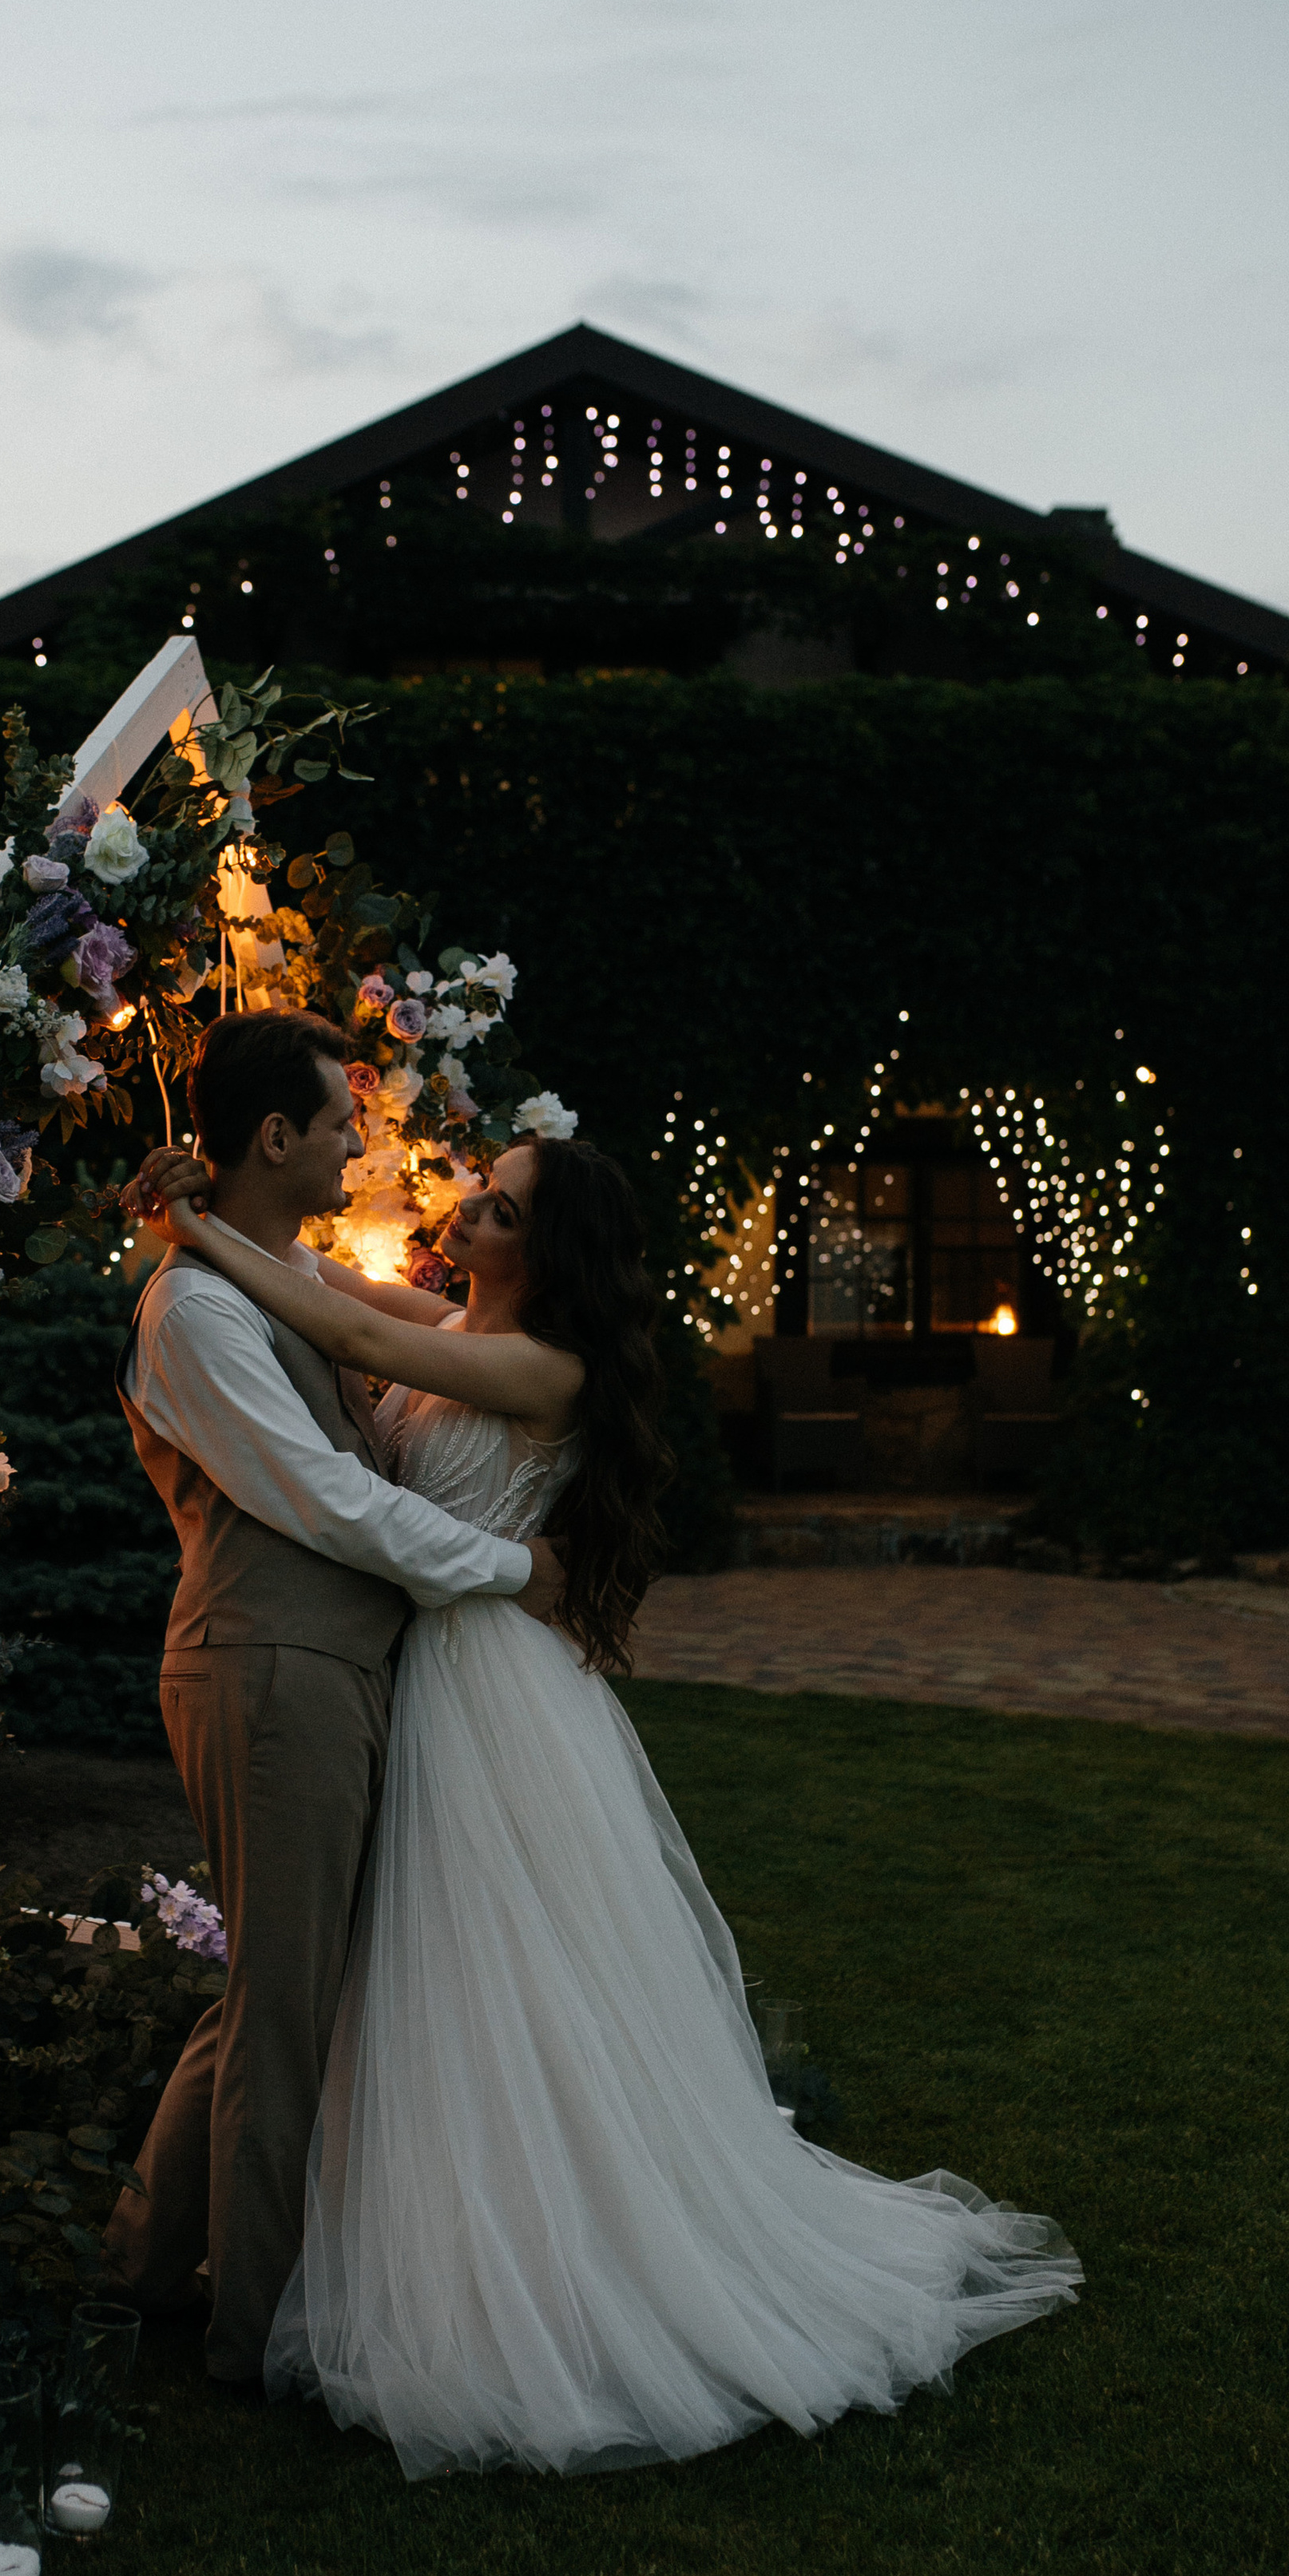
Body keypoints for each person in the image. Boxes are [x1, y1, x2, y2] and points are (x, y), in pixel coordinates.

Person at [138, 1115, 1082, 2479]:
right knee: (419, 1968)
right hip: (436, 1659)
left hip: (483, 1682)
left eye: (502, 1212)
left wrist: (194, 1234)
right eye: (480, 1195)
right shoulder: (463, 1323)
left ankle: (544, 2256)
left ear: (550, 1253)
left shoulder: (539, 1368)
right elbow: (331, 1288)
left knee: (492, 1969)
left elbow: (356, 1345)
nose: (467, 1213)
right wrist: (210, 1216)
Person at [106, 1009, 565, 2389]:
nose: (365, 1143)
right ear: (274, 1139)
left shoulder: (262, 1275)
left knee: (267, 1993)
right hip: (271, 1669)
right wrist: (505, 1571)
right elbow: (323, 1499)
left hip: (325, 1668)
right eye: (341, 1121)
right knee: (287, 2011)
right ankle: (252, 2336)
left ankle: (141, 2269)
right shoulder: (192, 1311)